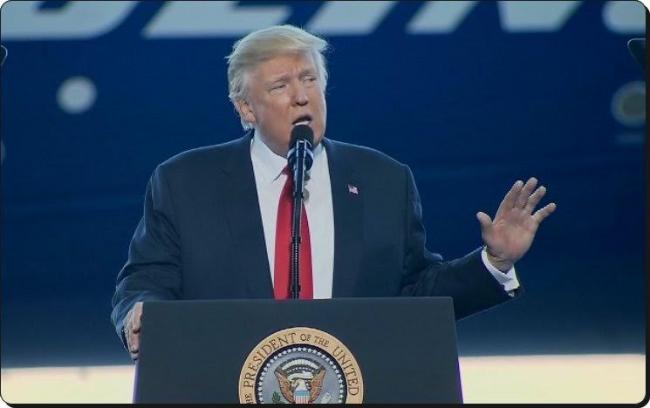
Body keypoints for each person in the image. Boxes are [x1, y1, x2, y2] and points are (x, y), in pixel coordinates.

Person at [111, 25, 556, 361]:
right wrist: (142, 314)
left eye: (310, 80)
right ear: (245, 108)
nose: (301, 97)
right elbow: (146, 281)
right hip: (223, 383)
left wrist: (494, 262)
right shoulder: (186, 182)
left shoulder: (384, 179)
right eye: (281, 86)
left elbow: (416, 295)